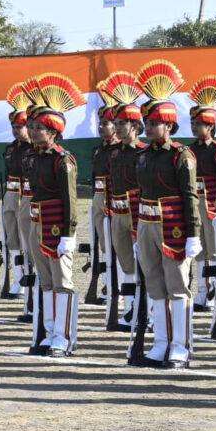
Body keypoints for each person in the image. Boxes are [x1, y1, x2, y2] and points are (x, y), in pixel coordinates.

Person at [127, 62, 203, 369]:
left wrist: (194, 234)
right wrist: (136, 231)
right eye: (147, 121)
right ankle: (161, 342)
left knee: (176, 285)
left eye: (155, 122)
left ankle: (180, 345)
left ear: (169, 126)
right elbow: (139, 194)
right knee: (155, 285)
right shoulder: (143, 155)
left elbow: (189, 196)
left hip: (173, 226)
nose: (148, 127)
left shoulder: (181, 155)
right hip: (146, 223)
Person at [23, 75, 84, 357]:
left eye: (40, 128)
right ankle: (49, 332)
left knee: (62, 282)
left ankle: (64, 336)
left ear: (53, 132)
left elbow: (70, 199)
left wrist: (69, 235)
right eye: (32, 127)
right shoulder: (33, 157)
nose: (34, 132)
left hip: (57, 225)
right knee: (46, 281)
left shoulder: (63, 160)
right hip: (37, 222)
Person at [98, 72, 147, 333]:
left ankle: (146, 308)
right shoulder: (114, 153)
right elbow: (109, 184)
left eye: (122, 123)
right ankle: (130, 306)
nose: (116, 127)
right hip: (117, 212)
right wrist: (108, 210)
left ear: (135, 126)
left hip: (140, 213)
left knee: (146, 263)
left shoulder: (144, 152)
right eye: (115, 122)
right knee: (125, 263)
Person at [186, 80, 216, 317]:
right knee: (200, 250)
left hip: (212, 204)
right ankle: (202, 292)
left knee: (213, 251)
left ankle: (214, 295)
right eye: (193, 122)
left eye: (199, 123)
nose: (194, 127)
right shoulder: (190, 150)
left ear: (210, 126)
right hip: (195, 202)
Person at [1, 90, 35, 307]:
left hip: (27, 195)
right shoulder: (11, 149)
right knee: (11, 238)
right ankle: (17, 278)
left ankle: (28, 278)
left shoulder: (34, 149)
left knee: (27, 239)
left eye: (20, 126)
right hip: (11, 194)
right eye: (14, 127)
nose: (16, 130)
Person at [84, 103, 119, 308]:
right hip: (98, 196)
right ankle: (107, 284)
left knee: (116, 243)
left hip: (114, 196)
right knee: (103, 244)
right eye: (100, 123)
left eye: (106, 123)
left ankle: (117, 287)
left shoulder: (119, 150)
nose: (101, 127)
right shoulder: (98, 150)